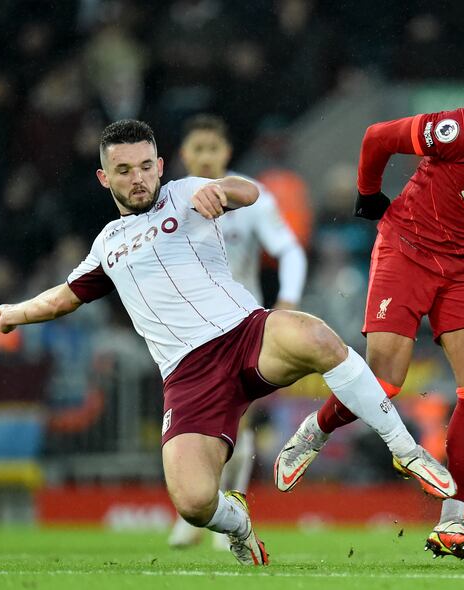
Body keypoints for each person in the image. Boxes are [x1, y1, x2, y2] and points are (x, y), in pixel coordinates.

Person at [0, 119, 455, 566]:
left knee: (314, 334)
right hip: (188, 378)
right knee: (193, 502)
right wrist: (15, 313)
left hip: (245, 335)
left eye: (146, 166)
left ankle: (405, 450)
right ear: (103, 177)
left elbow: (249, 192)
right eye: (124, 170)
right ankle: (238, 525)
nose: (138, 178)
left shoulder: (186, 192)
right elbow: (65, 297)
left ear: (160, 163)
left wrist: (222, 190)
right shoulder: (106, 246)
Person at [274, 49, 464, 560]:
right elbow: (377, 137)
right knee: (386, 380)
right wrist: (369, 194)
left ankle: (454, 519)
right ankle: (315, 429)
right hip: (408, 250)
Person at [167, 115, 308, 550]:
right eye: (198, 149)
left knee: (239, 418)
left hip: (240, 326)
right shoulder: (167, 204)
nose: (206, 156)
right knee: (190, 421)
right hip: (187, 332)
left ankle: (229, 506)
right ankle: (199, 510)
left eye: (214, 148)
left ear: (227, 153)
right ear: (184, 156)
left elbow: (289, 250)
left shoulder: (253, 198)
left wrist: (288, 299)